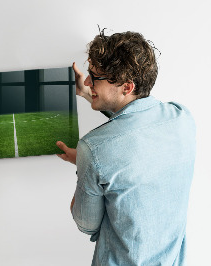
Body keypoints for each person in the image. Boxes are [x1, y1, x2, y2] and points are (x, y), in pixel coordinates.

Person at [56, 30, 196, 265]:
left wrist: (84, 163)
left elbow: (86, 224)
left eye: (95, 77)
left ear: (127, 87)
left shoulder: (93, 149)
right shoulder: (182, 118)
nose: (88, 81)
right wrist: (89, 94)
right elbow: (136, 125)